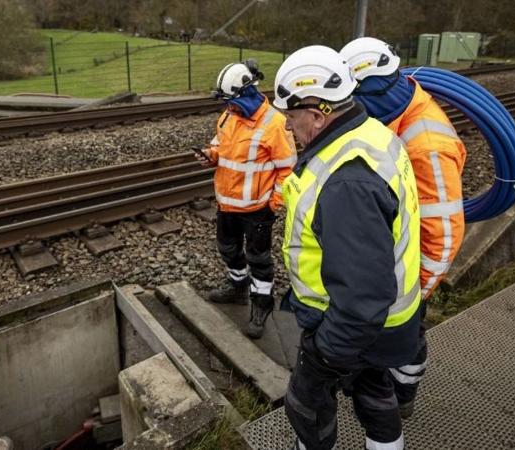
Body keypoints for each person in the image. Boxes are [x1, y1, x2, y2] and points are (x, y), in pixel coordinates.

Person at [272, 45, 422, 450]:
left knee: (307, 405)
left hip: (351, 325)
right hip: (388, 322)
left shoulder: (345, 183)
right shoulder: (371, 132)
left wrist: (324, 355)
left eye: (291, 116)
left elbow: (361, 299)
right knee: (375, 394)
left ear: (318, 115)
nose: (287, 127)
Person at [340, 37, 467, 418]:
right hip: (391, 254)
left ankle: (404, 394)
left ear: (369, 88)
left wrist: (414, 293)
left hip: (409, 275)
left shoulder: (426, 145)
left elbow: (443, 234)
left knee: (407, 337)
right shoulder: (394, 106)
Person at [196, 60, 296, 339]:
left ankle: (262, 305)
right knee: (227, 248)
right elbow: (219, 144)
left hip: (257, 209)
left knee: (259, 259)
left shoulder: (274, 124)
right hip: (227, 204)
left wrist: (274, 203)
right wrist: (210, 155)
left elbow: (288, 169)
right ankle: (238, 287)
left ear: (246, 94)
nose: (227, 107)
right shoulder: (229, 116)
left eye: (231, 101)